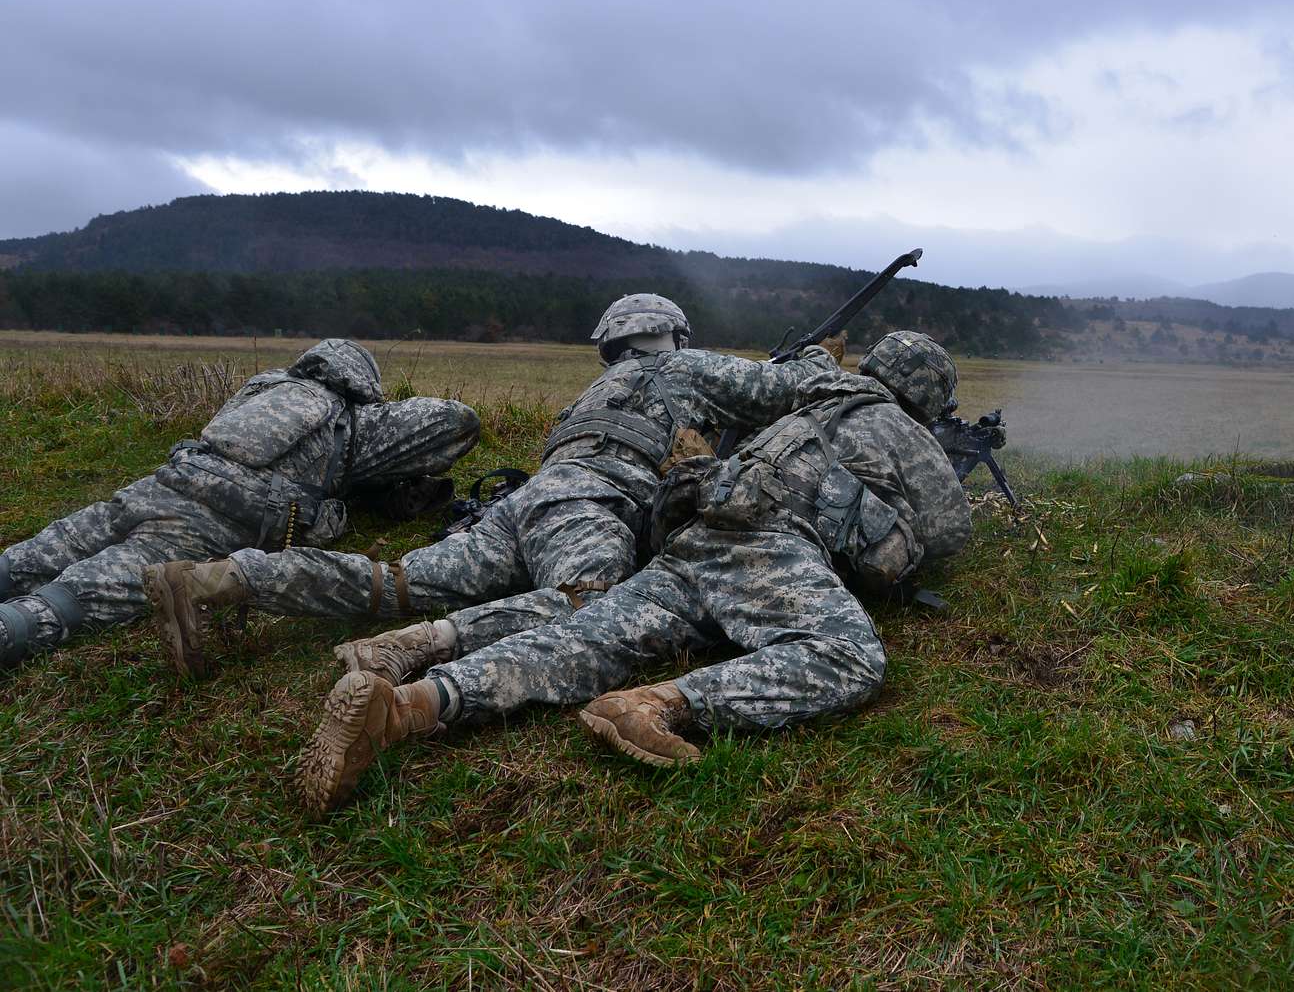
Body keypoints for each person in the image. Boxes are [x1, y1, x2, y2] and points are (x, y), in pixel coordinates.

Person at [296, 331, 972, 816]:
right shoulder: (897, 425)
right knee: (851, 655)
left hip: (696, 529)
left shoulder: (803, 402)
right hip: (773, 548)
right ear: (926, 398)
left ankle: (409, 706)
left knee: (588, 636)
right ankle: (658, 704)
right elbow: (949, 532)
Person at [145, 294, 841, 680]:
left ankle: (224, 577)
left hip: (524, 506)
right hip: (589, 507)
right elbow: (784, 388)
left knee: (393, 577)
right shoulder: (688, 370)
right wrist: (814, 354)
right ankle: (419, 645)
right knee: (585, 604)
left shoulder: (591, 392)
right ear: (675, 336)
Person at [0, 339, 480, 667]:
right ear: (362, 381)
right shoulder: (355, 419)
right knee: (75, 596)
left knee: (41, 551)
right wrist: (374, 430)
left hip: (161, 483)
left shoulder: (262, 386)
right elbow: (457, 421)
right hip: (212, 519)